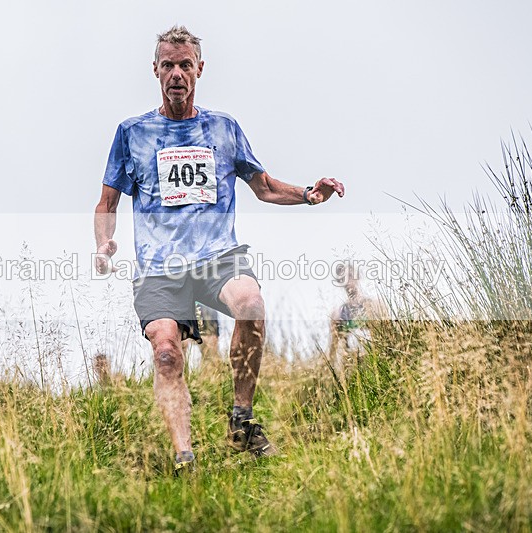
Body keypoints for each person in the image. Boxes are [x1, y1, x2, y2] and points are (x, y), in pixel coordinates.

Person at [94, 25, 344, 474]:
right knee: (167, 352)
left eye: (184, 65)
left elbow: (264, 187)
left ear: (199, 70)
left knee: (251, 304)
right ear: (154, 70)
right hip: (159, 267)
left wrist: (309, 193)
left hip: (217, 258)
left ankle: (242, 421)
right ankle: (184, 456)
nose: (176, 73)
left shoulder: (223, 129)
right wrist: (103, 242)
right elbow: (107, 202)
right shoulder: (132, 133)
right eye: (167, 65)